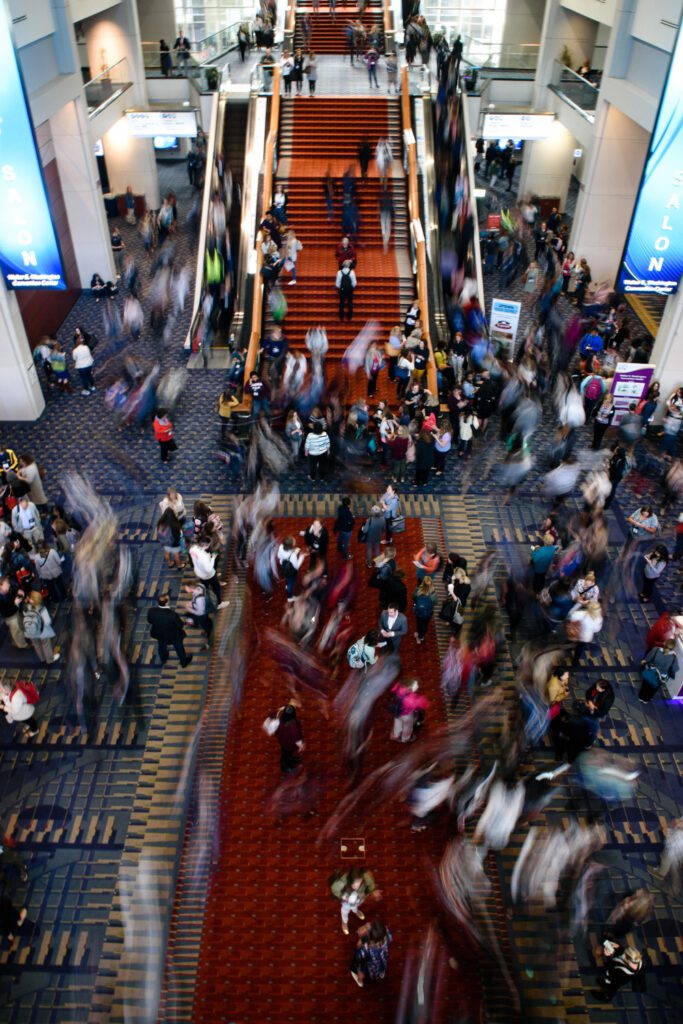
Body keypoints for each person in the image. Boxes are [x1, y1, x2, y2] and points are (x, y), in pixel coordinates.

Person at [147, 593, 193, 667]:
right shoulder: (172, 614)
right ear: (167, 602)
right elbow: (180, 625)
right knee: (179, 647)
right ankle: (184, 662)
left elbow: (150, 621)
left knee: (161, 646)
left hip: (159, 633)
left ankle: (163, 659)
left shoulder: (151, 611)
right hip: (173, 634)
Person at [329, 866, 378, 934]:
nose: (357, 885)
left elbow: (371, 884)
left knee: (355, 906)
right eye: (355, 883)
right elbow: (334, 890)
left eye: (359, 882)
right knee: (344, 912)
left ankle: (356, 911)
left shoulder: (365, 876)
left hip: (359, 899)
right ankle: (344, 923)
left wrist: (373, 891)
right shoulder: (342, 881)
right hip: (347, 901)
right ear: (350, 880)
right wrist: (342, 896)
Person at [263, 702, 304, 773]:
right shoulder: (293, 725)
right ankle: (285, 766)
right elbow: (296, 737)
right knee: (286, 753)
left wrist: (284, 708)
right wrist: (301, 746)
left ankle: (289, 759)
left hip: (282, 740)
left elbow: (271, 713)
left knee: (285, 752)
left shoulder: (279, 718)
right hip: (290, 743)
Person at [188, 539, 229, 608]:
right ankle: (219, 603)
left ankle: (204, 597)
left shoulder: (192, 548)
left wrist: (207, 555)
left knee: (205, 587)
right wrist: (213, 558)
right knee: (216, 588)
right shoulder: (203, 557)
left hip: (199, 573)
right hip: (208, 575)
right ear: (206, 545)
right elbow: (209, 569)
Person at [351, 920, 392, 987]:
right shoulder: (387, 934)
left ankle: (360, 981)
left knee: (356, 968)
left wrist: (360, 942)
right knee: (381, 965)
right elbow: (389, 936)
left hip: (370, 969)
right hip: (382, 962)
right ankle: (381, 973)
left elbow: (358, 958)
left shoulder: (366, 948)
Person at [22, 590, 59, 664]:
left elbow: (25, 616)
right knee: (46, 646)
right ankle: (49, 660)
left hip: (32, 632)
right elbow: (48, 621)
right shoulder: (42, 609)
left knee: (37, 645)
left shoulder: (26, 608)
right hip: (43, 632)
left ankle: (42, 658)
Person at [639, 638, 678, 703]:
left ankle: (641, 697)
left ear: (665, 643)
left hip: (650, 671)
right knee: (653, 689)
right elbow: (674, 669)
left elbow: (647, 659)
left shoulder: (656, 650)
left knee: (645, 685)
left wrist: (643, 661)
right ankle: (646, 699)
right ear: (673, 649)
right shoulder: (673, 658)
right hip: (660, 677)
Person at [0, 576, 28, 649]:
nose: (9, 585)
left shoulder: (7, 589)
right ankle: (22, 645)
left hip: (15, 611)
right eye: (7, 584)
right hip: (10, 617)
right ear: (0, 585)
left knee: (21, 624)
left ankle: (24, 636)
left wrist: (18, 591)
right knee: (16, 631)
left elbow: (13, 591)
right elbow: (6, 611)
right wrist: (15, 604)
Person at [277, 536, 306, 600]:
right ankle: (290, 597)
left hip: (283, 566)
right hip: (291, 571)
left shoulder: (281, 547)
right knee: (291, 582)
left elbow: (279, 556)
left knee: (287, 579)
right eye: (294, 542)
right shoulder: (293, 556)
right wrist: (302, 557)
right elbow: (296, 566)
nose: (295, 542)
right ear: (291, 546)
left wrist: (293, 552)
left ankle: (287, 586)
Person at [413, 577, 434, 644]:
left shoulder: (417, 590)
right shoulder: (433, 593)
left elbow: (413, 598)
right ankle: (421, 636)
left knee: (419, 623)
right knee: (425, 624)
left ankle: (419, 635)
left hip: (419, 612)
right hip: (428, 613)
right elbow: (435, 602)